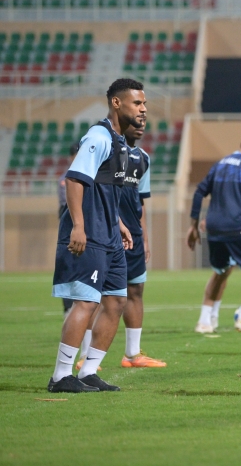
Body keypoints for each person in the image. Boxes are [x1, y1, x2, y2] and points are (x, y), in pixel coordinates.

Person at [48, 78, 146, 393]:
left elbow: (103, 189)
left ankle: (89, 371)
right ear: (117, 103)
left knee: (116, 301)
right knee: (86, 304)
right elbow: (75, 181)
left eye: (144, 104)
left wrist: (117, 222)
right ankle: (61, 376)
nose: (142, 109)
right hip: (88, 236)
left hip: (110, 237)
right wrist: (78, 225)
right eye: (137, 103)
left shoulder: (120, 144)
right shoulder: (99, 136)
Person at [78, 117, 166, 369]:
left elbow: (141, 202)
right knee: (94, 295)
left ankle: (132, 354)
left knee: (135, 291)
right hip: (104, 231)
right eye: (135, 120)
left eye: (144, 121)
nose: (141, 124)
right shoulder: (107, 149)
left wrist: (145, 238)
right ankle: (85, 355)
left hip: (133, 238)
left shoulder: (143, 159)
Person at [187, 130, 241, 334]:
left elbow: (199, 191)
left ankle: (204, 322)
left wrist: (193, 224)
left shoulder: (221, 163)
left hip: (214, 227)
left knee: (219, 272)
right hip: (238, 226)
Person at [57, 141, 81, 318]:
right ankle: (67, 309)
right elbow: (66, 205)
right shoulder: (66, 179)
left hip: (83, 225)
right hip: (70, 224)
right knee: (68, 267)